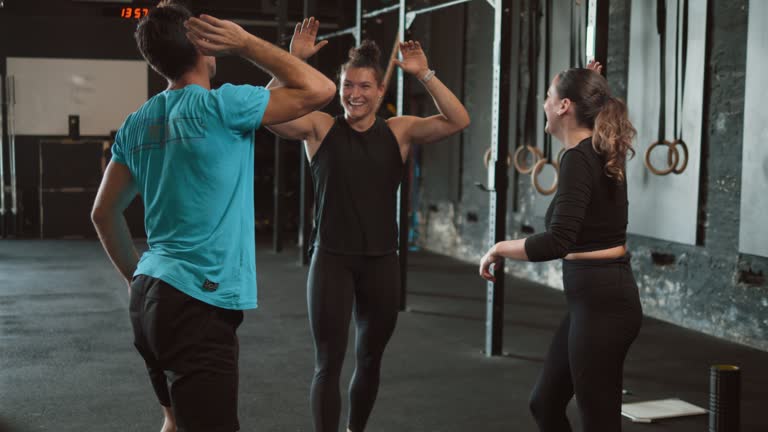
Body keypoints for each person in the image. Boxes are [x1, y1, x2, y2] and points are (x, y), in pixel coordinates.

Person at [90, 2, 335, 431]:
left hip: (150, 297)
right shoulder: (222, 106)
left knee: (174, 423)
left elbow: (103, 213)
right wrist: (246, 43)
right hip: (196, 306)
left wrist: (138, 278)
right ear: (206, 50)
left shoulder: (138, 122)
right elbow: (320, 90)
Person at [264, 19, 470, 432]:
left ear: (380, 91)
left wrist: (425, 74)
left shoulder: (400, 131)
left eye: (363, 87)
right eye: (347, 85)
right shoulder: (320, 127)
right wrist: (290, 62)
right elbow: (266, 111)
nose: (353, 95)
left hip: (381, 262)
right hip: (331, 261)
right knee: (328, 363)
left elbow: (458, 119)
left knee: (371, 358)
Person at [479, 62, 643, 432]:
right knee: (545, 403)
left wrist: (499, 247)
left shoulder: (580, 159)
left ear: (565, 106)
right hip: (594, 300)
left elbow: (558, 240)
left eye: (549, 97)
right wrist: (588, 81)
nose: (544, 103)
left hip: (604, 304)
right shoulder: (597, 150)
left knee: (598, 422)